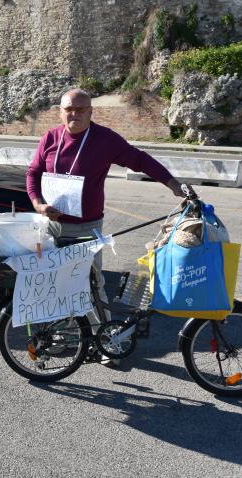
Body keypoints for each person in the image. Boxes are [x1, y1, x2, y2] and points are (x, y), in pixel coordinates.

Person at [26, 88, 188, 365]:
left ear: (91, 111)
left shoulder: (104, 139)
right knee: (56, 283)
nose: (74, 114)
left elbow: (140, 160)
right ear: (61, 111)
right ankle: (65, 333)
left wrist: (173, 184)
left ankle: (108, 343)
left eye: (80, 109)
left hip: (86, 227)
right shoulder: (51, 138)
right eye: (69, 109)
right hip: (51, 225)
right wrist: (38, 204)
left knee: (93, 284)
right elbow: (33, 172)